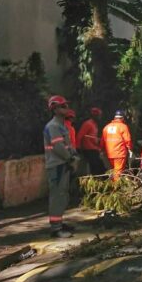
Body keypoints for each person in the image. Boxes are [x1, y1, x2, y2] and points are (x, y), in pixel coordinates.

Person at [43, 95, 79, 238]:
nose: (67, 108)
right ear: (55, 109)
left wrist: (73, 155)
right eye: (63, 106)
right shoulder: (53, 126)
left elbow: (67, 145)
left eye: (66, 105)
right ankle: (56, 229)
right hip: (57, 165)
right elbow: (58, 147)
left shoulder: (61, 125)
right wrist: (71, 158)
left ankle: (59, 223)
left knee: (63, 195)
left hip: (63, 164)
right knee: (57, 196)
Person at [101, 109, 133, 181]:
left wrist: (102, 150)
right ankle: (116, 188)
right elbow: (128, 140)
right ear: (122, 118)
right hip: (119, 153)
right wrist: (130, 149)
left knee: (113, 171)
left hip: (109, 154)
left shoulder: (106, 127)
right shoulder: (123, 126)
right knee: (118, 172)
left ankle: (112, 186)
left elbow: (102, 141)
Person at [78, 107, 106, 175]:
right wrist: (77, 147)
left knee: (101, 167)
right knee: (95, 167)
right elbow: (80, 136)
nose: (100, 117)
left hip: (94, 149)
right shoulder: (88, 124)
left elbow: (93, 138)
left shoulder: (94, 125)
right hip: (89, 150)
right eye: (99, 115)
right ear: (95, 116)